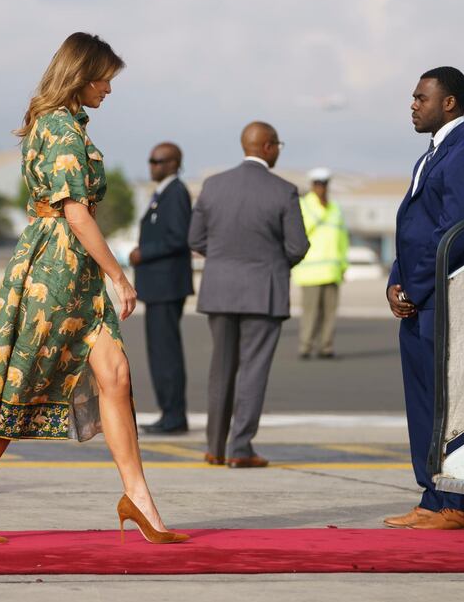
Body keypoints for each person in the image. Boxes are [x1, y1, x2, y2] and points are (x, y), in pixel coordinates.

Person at [0, 33, 188, 545]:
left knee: (115, 376)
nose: (109, 90)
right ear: (81, 75)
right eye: (104, 79)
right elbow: (75, 213)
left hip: (77, 273)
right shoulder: (57, 127)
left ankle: (138, 498)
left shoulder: (67, 125)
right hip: (53, 271)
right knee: (24, 381)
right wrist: (119, 275)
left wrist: (101, 276)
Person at [383, 67, 464, 530]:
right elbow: (411, 230)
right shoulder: (432, 155)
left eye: (420, 98)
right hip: (419, 297)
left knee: (450, 405)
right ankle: (433, 497)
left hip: (446, 299)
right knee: (424, 404)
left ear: (448, 103)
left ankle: (460, 503)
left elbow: (452, 234)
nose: (413, 105)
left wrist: (413, 285)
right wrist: (395, 281)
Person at [188, 121, 309, 468]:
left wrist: (226, 260)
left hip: (220, 288)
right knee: (253, 370)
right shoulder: (283, 190)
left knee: (220, 368)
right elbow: (297, 246)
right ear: (268, 146)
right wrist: (270, 264)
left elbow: (195, 239)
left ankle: (214, 447)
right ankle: (240, 447)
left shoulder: (213, 186)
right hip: (264, 290)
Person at [129, 142, 193, 435]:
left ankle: (174, 415)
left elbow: (179, 237)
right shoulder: (162, 193)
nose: (152, 166)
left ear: (173, 163)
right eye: (150, 161)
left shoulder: (176, 192)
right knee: (159, 352)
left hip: (167, 286)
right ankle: (168, 411)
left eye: (158, 161)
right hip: (158, 287)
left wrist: (145, 252)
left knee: (166, 353)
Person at [293, 167, 349, 360]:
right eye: (317, 184)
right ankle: (306, 346)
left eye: (324, 184)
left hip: (332, 270)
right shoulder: (304, 205)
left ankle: (326, 347)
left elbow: (342, 239)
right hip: (311, 271)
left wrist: (343, 266)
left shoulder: (335, 208)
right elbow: (299, 233)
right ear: (311, 185)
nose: (321, 188)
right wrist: (319, 209)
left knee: (329, 314)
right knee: (311, 313)